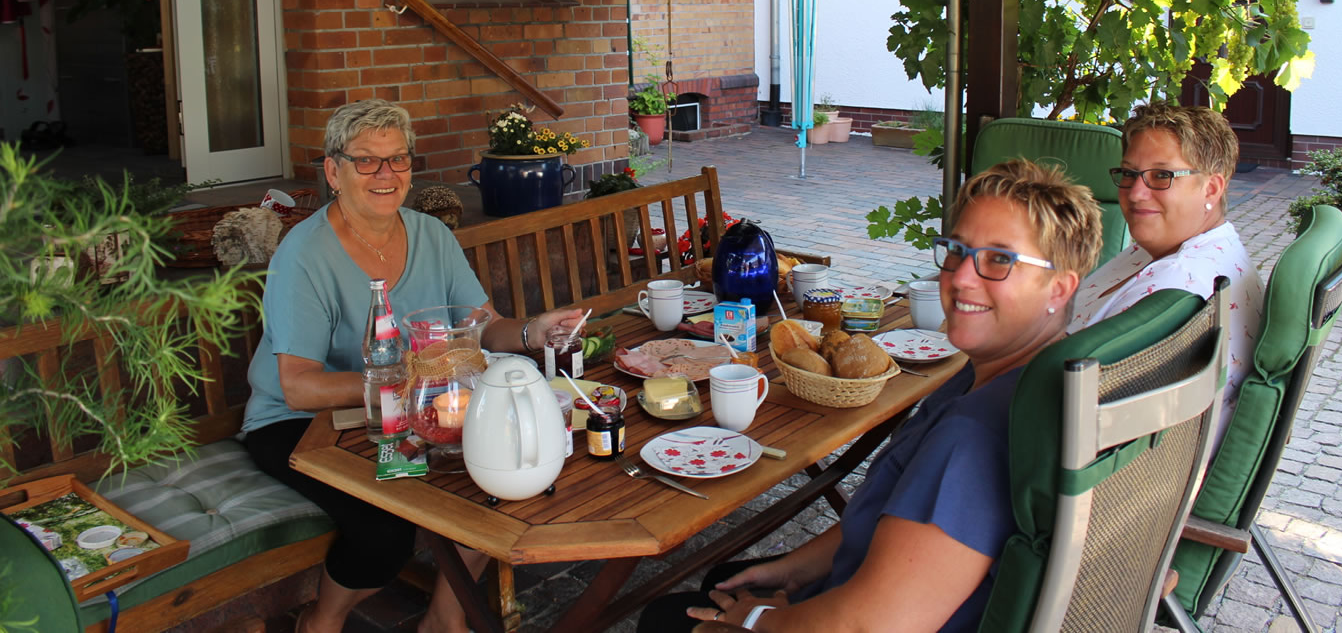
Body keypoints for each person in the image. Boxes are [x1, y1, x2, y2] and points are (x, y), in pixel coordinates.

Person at [638, 159, 1102, 633]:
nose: (962, 277)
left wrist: (760, 620)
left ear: (1059, 288)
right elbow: (896, 513)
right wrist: (796, 569)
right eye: (958, 250)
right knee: (726, 578)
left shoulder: (976, 433)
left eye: (1000, 259)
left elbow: (872, 624)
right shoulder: (1004, 378)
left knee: (663, 620)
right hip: (883, 587)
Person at [241, 99, 583, 633]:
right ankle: (322, 619)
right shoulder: (304, 255)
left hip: (411, 406)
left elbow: (483, 323)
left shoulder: (430, 234)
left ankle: (445, 617)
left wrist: (529, 331)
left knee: (502, 469)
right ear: (334, 171)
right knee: (382, 528)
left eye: (398, 159)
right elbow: (299, 388)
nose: (386, 175)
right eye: (367, 161)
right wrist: (413, 379)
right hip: (301, 425)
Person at [1069, 102, 1263, 449]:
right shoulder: (1173, 248)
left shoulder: (1177, 286)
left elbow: (1083, 412)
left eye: (1162, 175)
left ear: (1212, 188)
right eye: (1129, 173)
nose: (1135, 192)